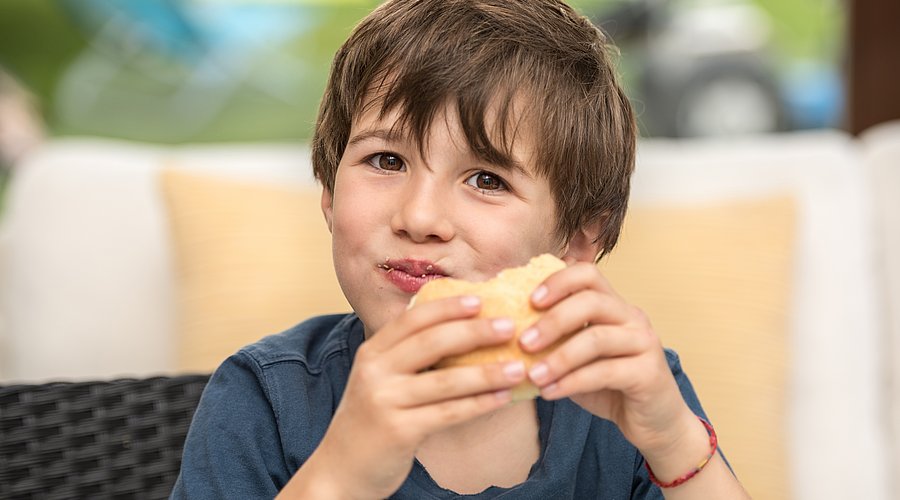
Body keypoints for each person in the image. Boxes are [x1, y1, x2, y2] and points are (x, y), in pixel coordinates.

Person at [172, 0, 750, 498]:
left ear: (577, 239)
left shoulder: (627, 392)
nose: (419, 218)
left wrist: (674, 439)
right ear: (328, 190)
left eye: (486, 180)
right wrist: (340, 474)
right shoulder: (264, 402)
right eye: (386, 161)